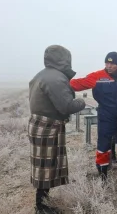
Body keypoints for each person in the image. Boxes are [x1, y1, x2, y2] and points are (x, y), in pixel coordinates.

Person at [28, 45, 86, 213]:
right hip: (48, 127)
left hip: (40, 124)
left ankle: (43, 199)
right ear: (64, 59)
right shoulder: (56, 78)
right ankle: (41, 206)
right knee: (46, 166)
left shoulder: (42, 74)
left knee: (44, 165)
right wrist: (82, 102)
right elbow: (66, 106)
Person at [70, 52, 117, 182]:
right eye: (107, 63)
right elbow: (78, 84)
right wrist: (62, 83)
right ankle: (103, 176)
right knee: (104, 145)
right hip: (105, 115)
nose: (108, 66)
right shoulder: (97, 76)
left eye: (112, 64)